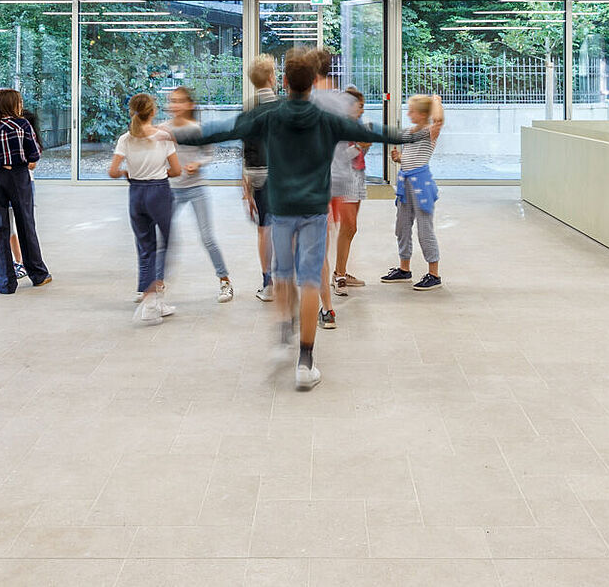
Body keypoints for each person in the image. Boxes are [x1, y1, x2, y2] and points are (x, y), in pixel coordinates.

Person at [176, 52, 427, 391]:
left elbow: (223, 130)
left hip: (281, 209)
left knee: (282, 274)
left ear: (284, 81)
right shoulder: (326, 119)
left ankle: (283, 335)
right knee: (310, 280)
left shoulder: (268, 115)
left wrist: (177, 136)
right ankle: (305, 363)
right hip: (313, 210)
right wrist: (411, 136)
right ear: (312, 83)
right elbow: (372, 131)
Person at [110, 93, 181, 325]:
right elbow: (177, 171)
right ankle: (151, 300)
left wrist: (127, 173)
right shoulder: (163, 137)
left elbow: (113, 171)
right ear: (153, 112)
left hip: (136, 194)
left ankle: (152, 297)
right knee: (163, 245)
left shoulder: (125, 138)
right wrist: (160, 173)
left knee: (145, 245)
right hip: (159, 191)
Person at [0, 89, 52, 294]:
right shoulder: (23, 125)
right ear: (13, 105)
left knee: (0, 228)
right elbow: (35, 153)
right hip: (19, 177)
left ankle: (6, 282)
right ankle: (38, 275)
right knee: (26, 224)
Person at [164, 86, 235, 303]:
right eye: (172, 101)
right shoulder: (163, 129)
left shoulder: (197, 128)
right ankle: (155, 285)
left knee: (207, 237)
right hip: (172, 190)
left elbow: (209, 154)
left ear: (189, 105)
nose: (175, 105)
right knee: (164, 238)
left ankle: (225, 281)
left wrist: (198, 163)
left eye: (179, 101)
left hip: (196, 189)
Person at [309, 47, 357, 330]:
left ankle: (325, 308)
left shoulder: (308, 102)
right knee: (321, 244)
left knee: (314, 249)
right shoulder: (344, 102)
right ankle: (325, 305)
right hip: (339, 180)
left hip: (314, 183)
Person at [381, 94, 445, 290]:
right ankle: (404, 269)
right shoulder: (410, 132)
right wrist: (398, 158)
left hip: (421, 185)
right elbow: (410, 156)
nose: (408, 114)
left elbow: (439, 120)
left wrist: (436, 101)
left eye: (412, 111)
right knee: (402, 227)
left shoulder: (429, 131)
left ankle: (433, 274)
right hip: (405, 183)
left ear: (423, 114)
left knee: (424, 229)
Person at [242, 54, 278, 301]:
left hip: (256, 174)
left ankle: (268, 282)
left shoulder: (249, 108)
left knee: (264, 229)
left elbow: (245, 148)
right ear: (271, 77)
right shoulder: (283, 107)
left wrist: (245, 186)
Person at [332, 87, 370, 293]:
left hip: (357, 176)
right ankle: (338, 275)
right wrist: (359, 146)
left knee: (351, 227)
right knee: (349, 225)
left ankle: (341, 271)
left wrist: (364, 145)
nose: (362, 110)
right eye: (360, 106)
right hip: (345, 179)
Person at [7, 110, 41, 280]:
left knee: (26, 226)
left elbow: (32, 164)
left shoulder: (31, 141)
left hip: (25, 184)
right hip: (7, 184)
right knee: (9, 227)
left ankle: (26, 263)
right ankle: (17, 261)